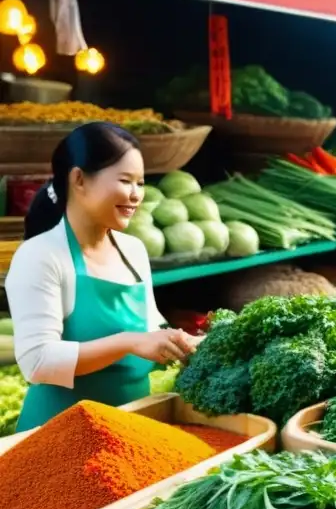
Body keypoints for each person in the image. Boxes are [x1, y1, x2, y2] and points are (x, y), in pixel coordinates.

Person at [6, 123, 198, 432]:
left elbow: (150, 330)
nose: (136, 195)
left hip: (130, 433)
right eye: (125, 181)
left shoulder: (133, 251)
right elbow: (37, 362)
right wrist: (128, 342)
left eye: (141, 183)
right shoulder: (40, 256)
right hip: (56, 440)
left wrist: (181, 342)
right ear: (79, 179)